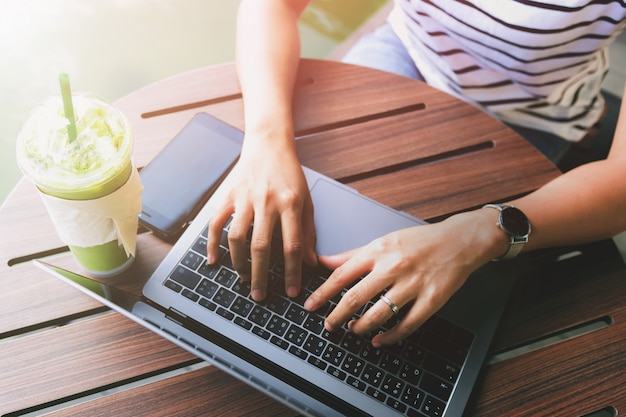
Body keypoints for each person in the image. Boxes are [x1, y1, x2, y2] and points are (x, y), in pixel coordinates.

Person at [207, 0, 626, 348]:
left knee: (463, 307)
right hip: (408, 48)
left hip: (530, 114)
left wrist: (481, 232)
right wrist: (265, 139)